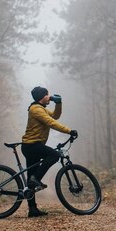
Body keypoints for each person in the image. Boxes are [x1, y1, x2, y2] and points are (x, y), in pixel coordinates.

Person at [21, 86, 77, 217]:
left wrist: (58, 103)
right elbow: (51, 123)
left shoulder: (41, 109)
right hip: (32, 146)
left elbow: (55, 116)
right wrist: (69, 130)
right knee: (55, 155)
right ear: (42, 97)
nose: (50, 97)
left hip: (32, 146)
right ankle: (35, 179)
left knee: (31, 179)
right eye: (48, 95)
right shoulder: (36, 110)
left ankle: (32, 209)